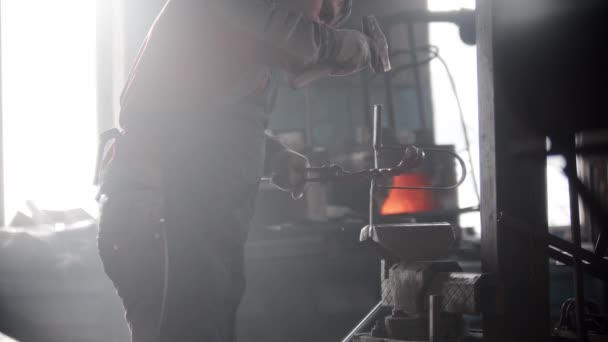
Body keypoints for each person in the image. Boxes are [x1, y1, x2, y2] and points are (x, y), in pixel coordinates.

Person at [96, 0, 378, 341]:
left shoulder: (246, 47)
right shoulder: (238, 10)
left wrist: (272, 156)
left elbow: (208, 121)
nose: (323, 22)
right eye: (325, 8)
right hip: (158, 212)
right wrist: (352, 46)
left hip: (184, 214)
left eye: (332, 21)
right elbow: (299, 41)